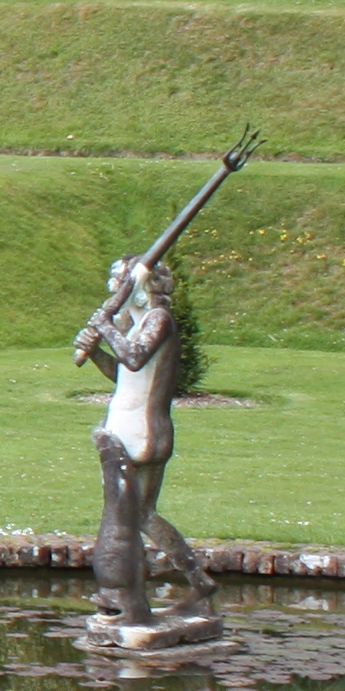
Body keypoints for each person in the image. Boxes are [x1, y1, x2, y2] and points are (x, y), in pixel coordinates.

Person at [75, 254, 214, 643]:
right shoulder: (138, 322)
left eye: (119, 281)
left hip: (141, 432)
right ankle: (197, 582)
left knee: (123, 519)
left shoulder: (158, 319)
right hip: (130, 424)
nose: (112, 289)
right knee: (144, 516)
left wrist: (103, 327)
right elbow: (123, 375)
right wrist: (95, 353)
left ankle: (128, 599)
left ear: (138, 285)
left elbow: (135, 359)